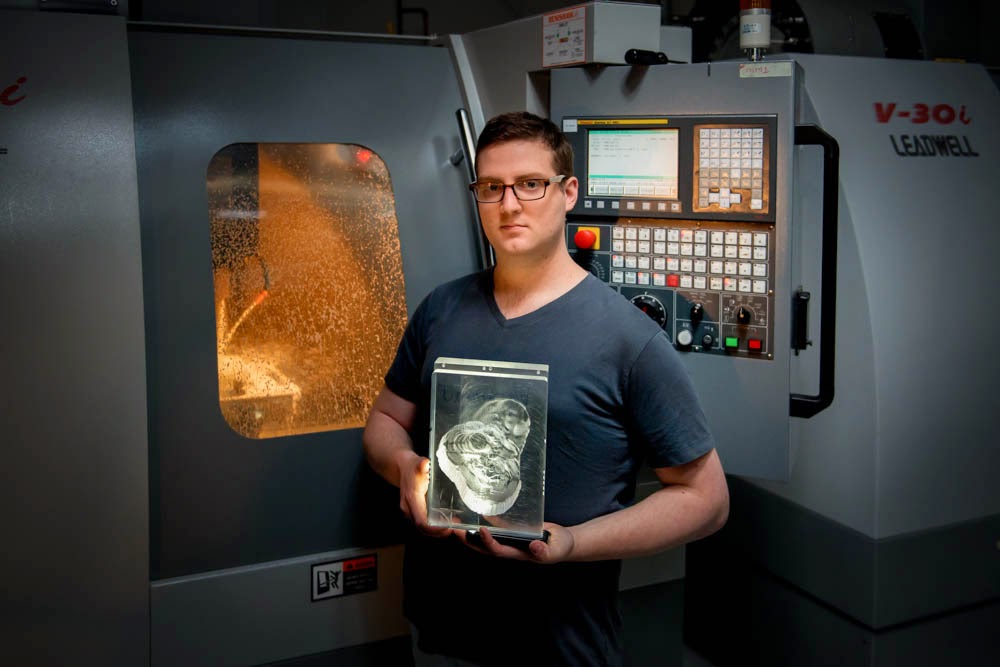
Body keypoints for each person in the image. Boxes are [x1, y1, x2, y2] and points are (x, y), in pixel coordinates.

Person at [363, 111, 729, 666]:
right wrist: (405, 467)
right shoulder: (441, 309)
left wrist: (575, 543)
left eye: (530, 184)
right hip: (441, 632)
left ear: (568, 192)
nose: (509, 204)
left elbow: (707, 500)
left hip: (560, 645)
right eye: (492, 187)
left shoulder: (628, 340)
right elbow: (386, 421)